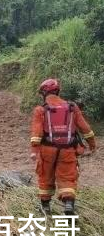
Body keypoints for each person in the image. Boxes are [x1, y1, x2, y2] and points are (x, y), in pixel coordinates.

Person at [30, 78, 97, 215]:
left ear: (44, 93)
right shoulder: (72, 107)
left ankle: (45, 207)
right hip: (68, 149)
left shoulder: (40, 110)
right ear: (58, 91)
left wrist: (34, 151)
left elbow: (36, 133)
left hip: (47, 150)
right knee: (67, 177)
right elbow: (85, 128)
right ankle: (68, 205)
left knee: (45, 176)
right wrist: (92, 144)